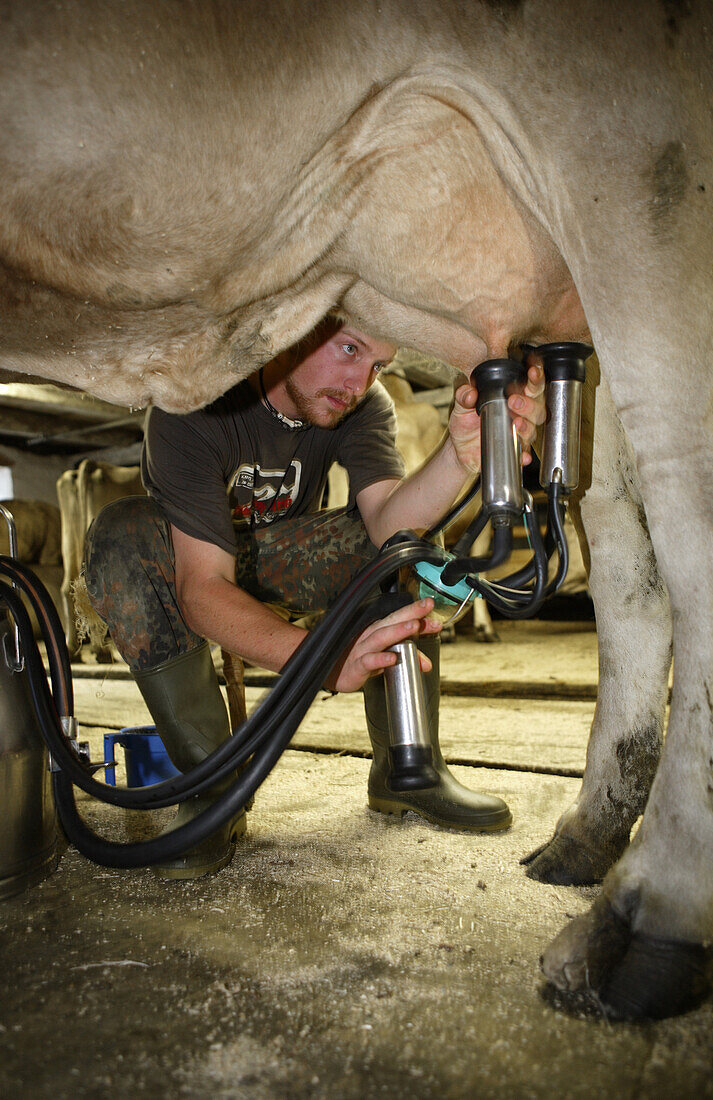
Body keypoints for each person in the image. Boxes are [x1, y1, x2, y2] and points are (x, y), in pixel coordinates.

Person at [83, 317, 546, 879]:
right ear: (291, 328)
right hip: (197, 565)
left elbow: (387, 526)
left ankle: (408, 764)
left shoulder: (362, 405)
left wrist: (459, 456)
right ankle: (211, 787)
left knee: (412, 543)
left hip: (287, 559)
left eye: (376, 364)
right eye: (349, 349)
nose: (358, 382)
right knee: (120, 535)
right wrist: (325, 662)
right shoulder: (194, 402)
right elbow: (203, 591)